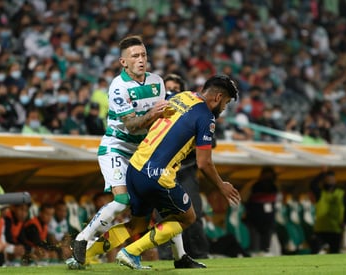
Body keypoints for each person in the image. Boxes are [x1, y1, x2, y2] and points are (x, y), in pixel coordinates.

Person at [69, 35, 203, 269]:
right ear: (123, 62)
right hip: (116, 148)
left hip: (143, 152)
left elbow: (162, 120)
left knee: (164, 206)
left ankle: (180, 257)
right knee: (122, 200)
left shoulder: (157, 82)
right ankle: (82, 240)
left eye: (144, 55)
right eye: (135, 56)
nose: (141, 60)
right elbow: (131, 124)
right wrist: (153, 113)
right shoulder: (118, 87)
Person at [81, 75, 241, 270]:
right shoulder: (206, 117)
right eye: (226, 102)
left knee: (137, 225)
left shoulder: (182, 97)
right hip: (157, 175)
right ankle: (131, 252)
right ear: (217, 97)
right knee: (187, 217)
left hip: (136, 167)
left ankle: (85, 255)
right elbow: (203, 163)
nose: (224, 109)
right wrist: (221, 185)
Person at [162, 73, 210, 260]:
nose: (171, 92)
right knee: (163, 216)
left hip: (186, 169)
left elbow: (208, 143)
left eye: (175, 88)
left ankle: (200, 254)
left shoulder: (197, 112)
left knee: (194, 213)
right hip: (163, 170)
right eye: (168, 89)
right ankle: (165, 257)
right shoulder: (158, 112)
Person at [309, 170, 346, 254]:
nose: (330, 181)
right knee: (315, 251)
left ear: (335, 181)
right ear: (324, 180)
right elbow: (312, 184)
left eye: (331, 179)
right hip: (321, 229)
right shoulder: (320, 193)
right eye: (328, 179)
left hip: (336, 228)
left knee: (334, 253)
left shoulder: (341, 193)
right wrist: (322, 173)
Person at [241, 166, 278, 255]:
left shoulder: (274, 187)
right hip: (254, 221)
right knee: (255, 247)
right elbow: (243, 198)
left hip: (268, 221)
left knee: (265, 248)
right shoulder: (253, 185)